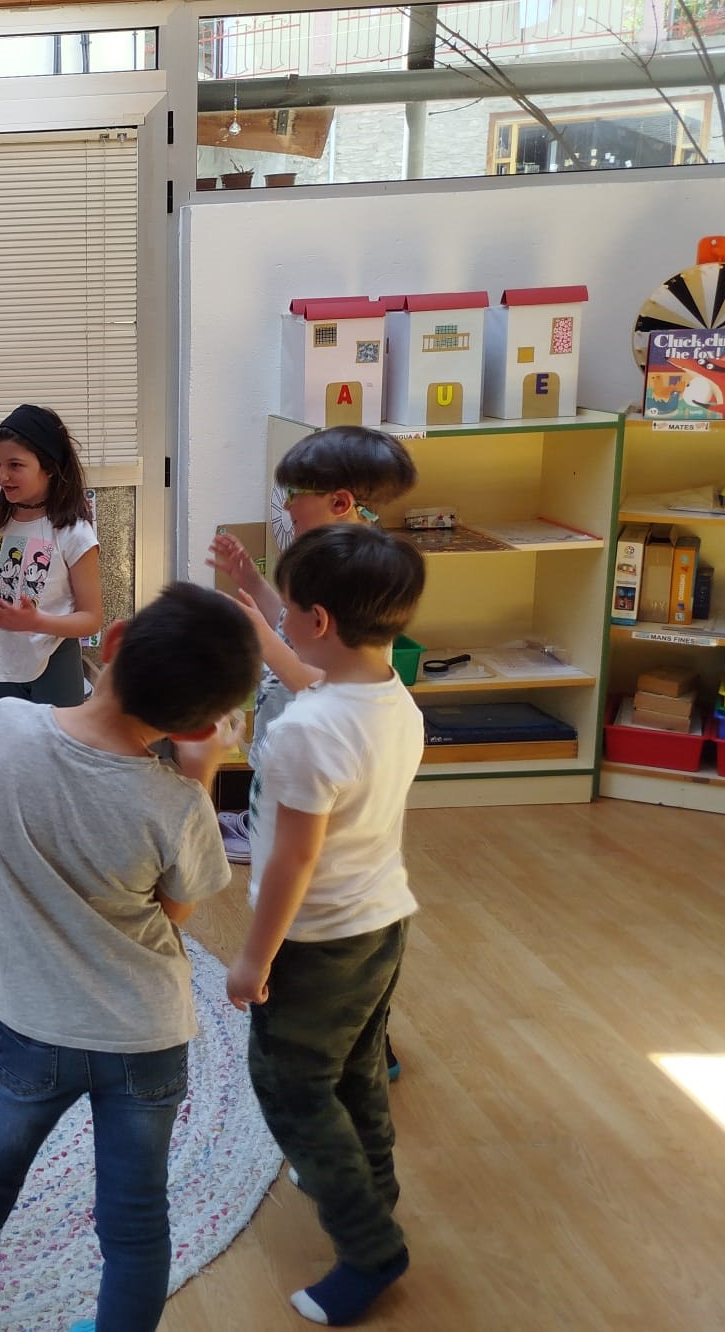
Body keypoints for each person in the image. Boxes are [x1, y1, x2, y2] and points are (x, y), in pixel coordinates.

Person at [0, 583, 262, 1332]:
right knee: (135, 1226)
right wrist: (200, 773)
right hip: (146, 1037)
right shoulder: (177, 802)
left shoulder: (0, 727)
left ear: (112, 641)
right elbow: (173, 913)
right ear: (200, 726)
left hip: (29, 1030)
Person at [224, 524, 427, 1328]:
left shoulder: (304, 731)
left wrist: (252, 960)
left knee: (293, 1087)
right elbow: (313, 677)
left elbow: (291, 861)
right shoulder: (390, 694)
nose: (284, 623)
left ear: (318, 620)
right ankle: (371, 1187)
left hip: (313, 944)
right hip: (381, 924)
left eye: (288, 612)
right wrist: (263, 624)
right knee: (355, 1075)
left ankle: (370, 1248)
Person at [208, 424, 417, 1083]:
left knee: (324, 920)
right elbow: (293, 624)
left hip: (322, 774)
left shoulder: (359, 581)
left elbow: (318, 679)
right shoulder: (326, 562)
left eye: (292, 495)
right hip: (297, 760)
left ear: (340, 501)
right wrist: (252, 582)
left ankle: (357, 1050)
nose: (285, 507)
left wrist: (261, 639)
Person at [0, 404, 102, 708]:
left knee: (53, 741)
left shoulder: (73, 533)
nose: (2, 475)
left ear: (49, 467)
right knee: (5, 740)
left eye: (15, 465)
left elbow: (91, 620)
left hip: (54, 660)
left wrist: (37, 621)